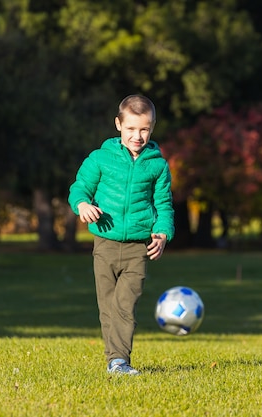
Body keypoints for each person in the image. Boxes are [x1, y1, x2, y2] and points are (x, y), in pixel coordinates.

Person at [68, 94, 174, 376]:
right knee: (107, 307)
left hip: (138, 247)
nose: (137, 136)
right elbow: (79, 188)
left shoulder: (158, 165)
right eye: (131, 129)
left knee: (125, 305)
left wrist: (162, 234)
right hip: (105, 242)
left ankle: (119, 361)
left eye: (144, 129)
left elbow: (164, 205)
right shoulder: (100, 159)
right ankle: (113, 358)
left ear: (152, 128)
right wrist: (82, 205)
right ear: (118, 125)